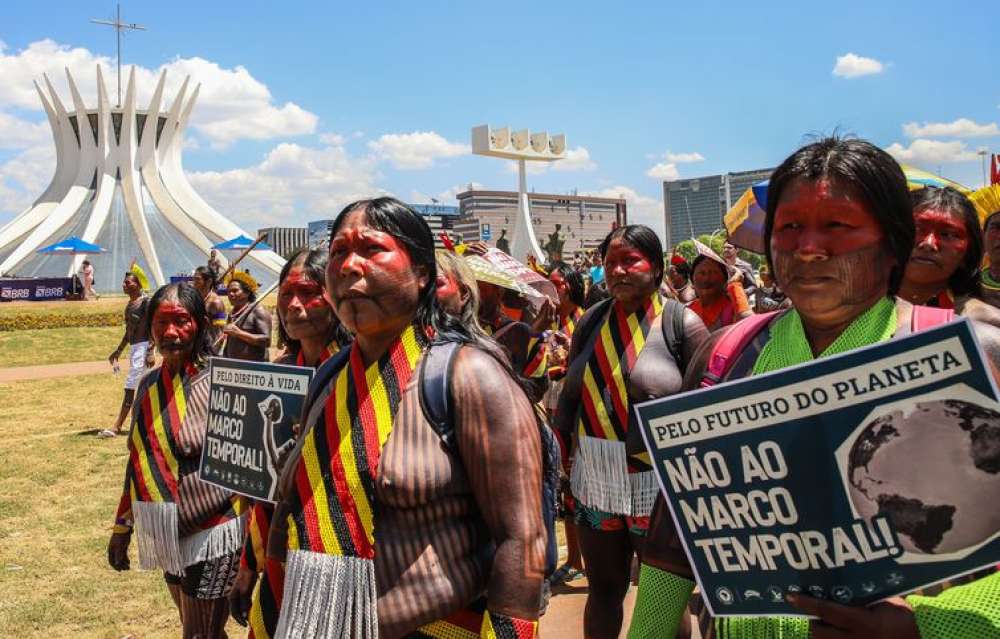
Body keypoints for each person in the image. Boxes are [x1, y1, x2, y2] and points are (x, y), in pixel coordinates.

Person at [630, 137, 1000, 639]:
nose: (808, 249)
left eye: (837, 226)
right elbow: (675, 536)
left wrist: (923, 626)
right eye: (790, 227)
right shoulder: (727, 354)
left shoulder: (972, 354)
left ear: (893, 241)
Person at [266, 197, 546, 637]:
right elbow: (291, 510)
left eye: (372, 249)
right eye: (338, 251)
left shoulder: (468, 376)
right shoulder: (329, 376)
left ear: (421, 273)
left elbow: (522, 540)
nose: (349, 266)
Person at [552, 224, 709, 639]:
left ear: (655, 268)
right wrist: (559, 463)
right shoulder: (590, 322)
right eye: (610, 263)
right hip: (595, 481)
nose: (618, 271)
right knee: (604, 590)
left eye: (630, 260)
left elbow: (706, 410)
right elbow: (569, 398)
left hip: (656, 485)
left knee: (663, 595)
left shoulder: (683, 325)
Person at [107, 282, 245, 638]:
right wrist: (123, 526)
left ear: (199, 324)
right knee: (201, 630)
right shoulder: (149, 385)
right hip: (167, 531)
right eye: (161, 322)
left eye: (181, 321)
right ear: (150, 327)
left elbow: (252, 470)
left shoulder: (223, 384)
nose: (170, 332)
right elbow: (138, 459)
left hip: (216, 532)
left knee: (198, 634)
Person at [229, 248, 351, 639]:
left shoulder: (360, 374)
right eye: (286, 294)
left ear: (335, 295)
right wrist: (249, 563)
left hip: (343, 556)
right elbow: (264, 487)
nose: (295, 306)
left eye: (309, 292)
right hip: (283, 551)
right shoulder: (279, 375)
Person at [542, 261, 587, 586]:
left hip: (579, 413)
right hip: (553, 407)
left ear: (569, 287)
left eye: (555, 283)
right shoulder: (549, 320)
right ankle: (573, 558)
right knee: (565, 487)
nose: (550, 289)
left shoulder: (585, 320)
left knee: (581, 484)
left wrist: (567, 358)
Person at [898, 186, 1000, 327]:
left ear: (968, 253)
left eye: (948, 234)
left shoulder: (986, 325)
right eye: (917, 229)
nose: (928, 244)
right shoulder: (860, 307)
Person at [99, 271, 155, 438]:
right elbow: (129, 331)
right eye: (124, 282)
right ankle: (144, 423)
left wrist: (151, 351)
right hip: (135, 348)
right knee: (144, 387)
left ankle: (117, 426)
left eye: (128, 282)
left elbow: (153, 327)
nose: (124, 285)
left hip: (144, 348)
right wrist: (118, 351)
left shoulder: (146, 303)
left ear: (138, 284)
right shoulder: (130, 305)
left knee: (130, 385)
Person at [689, 242, 753, 331]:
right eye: (702, 273)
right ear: (692, 281)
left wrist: (735, 285)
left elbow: (749, 325)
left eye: (713, 273)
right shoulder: (687, 311)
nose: (707, 278)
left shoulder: (733, 308)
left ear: (724, 281)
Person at [222, 272, 272, 362]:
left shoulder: (258, 311)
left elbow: (266, 341)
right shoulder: (232, 314)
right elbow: (230, 341)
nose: (230, 294)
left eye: (235, 290)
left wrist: (239, 333)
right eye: (228, 291)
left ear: (247, 293)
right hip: (233, 367)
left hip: (254, 369)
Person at [192, 265, 227, 349]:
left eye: (197, 279)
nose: (194, 282)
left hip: (209, 348)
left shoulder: (216, 303)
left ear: (209, 281)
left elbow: (220, 331)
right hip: (195, 345)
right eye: (194, 279)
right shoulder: (195, 298)